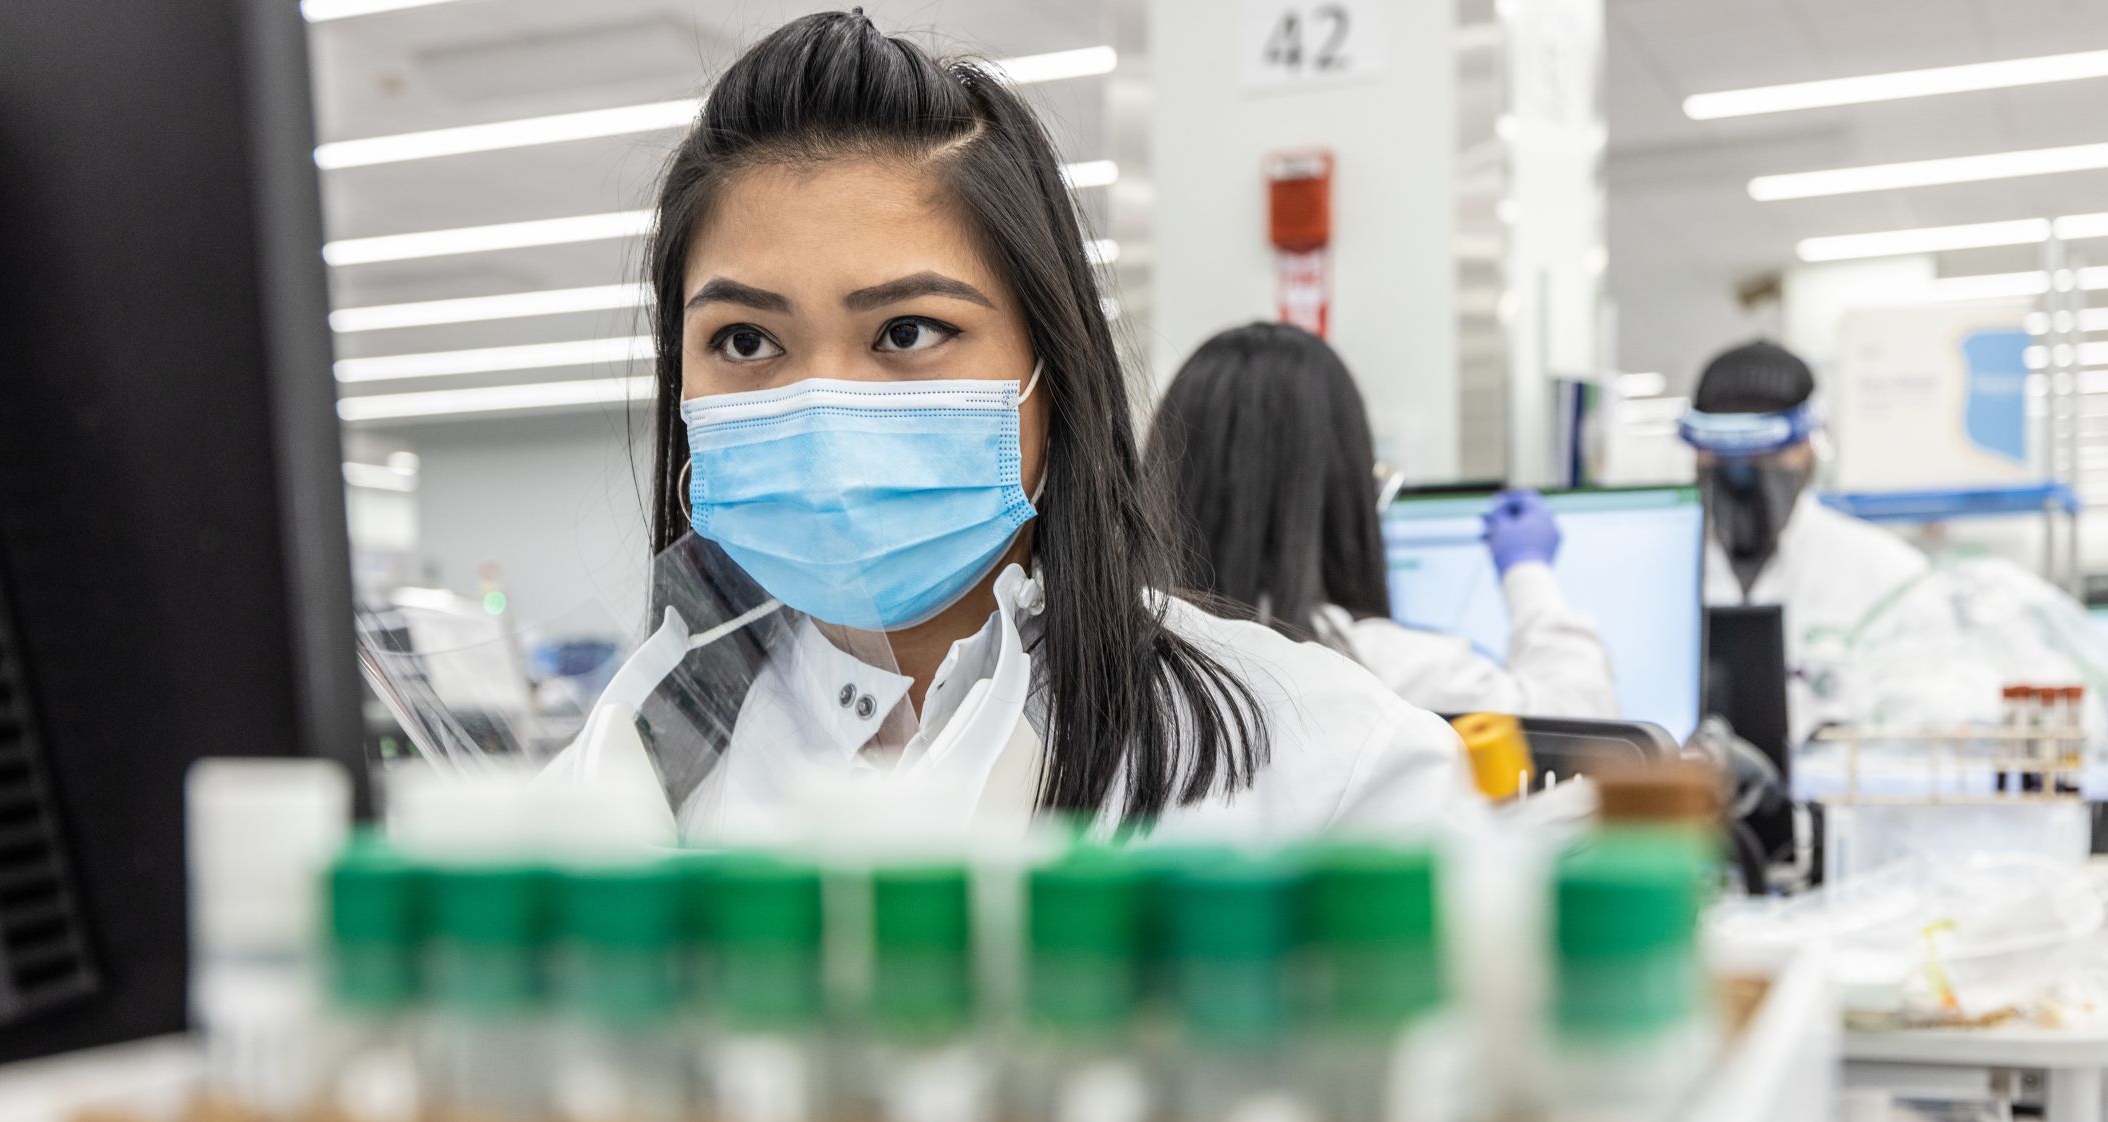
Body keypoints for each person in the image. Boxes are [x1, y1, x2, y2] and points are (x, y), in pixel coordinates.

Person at [579, 12, 1481, 840]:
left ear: (1053, 370)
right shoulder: (635, 765)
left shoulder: (1325, 770)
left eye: (908, 331)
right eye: (745, 340)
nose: (823, 405)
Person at [1147, 322, 1616, 719]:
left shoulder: (1115, 665)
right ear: (1342, 491)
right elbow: (1582, 722)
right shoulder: (1379, 670)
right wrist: (1527, 571)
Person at [1682, 339, 1927, 735]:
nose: (1743, 473)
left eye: (1768, 455)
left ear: (1809, 445)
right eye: (1723, 455)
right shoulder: (1649, 574)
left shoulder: (1887, 574)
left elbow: (1922, 720)